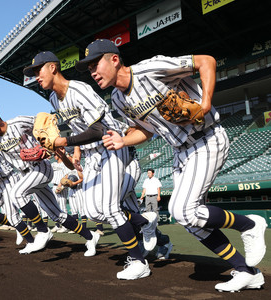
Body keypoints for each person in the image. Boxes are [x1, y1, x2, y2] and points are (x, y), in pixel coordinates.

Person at [77, 38, 267, 291]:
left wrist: (206, 102)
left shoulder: (150, 69)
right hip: (180, 151)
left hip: (206, 138)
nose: (92, 72)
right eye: (88, 68)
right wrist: (123, 139)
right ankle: (246, 271)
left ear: (114, 59)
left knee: (183, 211)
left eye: (94, 64)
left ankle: (250, 224)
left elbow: (206, 61)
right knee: (190, 222)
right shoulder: (118, 100)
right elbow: (146, 131)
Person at [23, 51, 158, 280]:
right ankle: (145, 222)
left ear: (53, 68)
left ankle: (138, 261)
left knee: (109, 207)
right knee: (93, 211)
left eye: (39, 70)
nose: (36, 76)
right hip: (92, 154)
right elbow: (79, 128)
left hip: (111, 145)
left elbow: (99, 130)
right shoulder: (55, 99)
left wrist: (64, 141)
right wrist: (73, 150)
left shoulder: (79, 90)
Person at [0, 104, 100, 256]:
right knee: (57, 215)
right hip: (26, 174)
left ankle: (42, 231)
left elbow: (42, 122)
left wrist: (47, 145)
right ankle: (90, 236)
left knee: (17, 193)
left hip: (41, 167)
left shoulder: (18, 123)